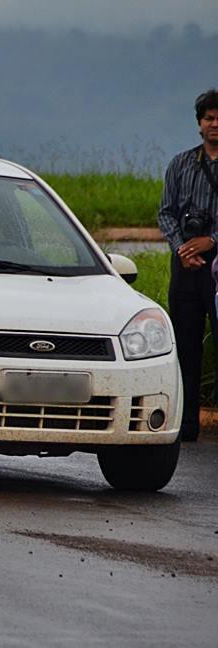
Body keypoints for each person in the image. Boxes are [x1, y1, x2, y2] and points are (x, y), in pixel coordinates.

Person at [159, 88, 218, 442]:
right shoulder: (181, 164)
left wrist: (212, 240)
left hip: (216, 262)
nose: (215, 124)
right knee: (186, 345)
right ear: (199, 123)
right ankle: (187, 423)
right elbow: (165, 212)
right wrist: (183, 247)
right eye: (209, 118)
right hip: (186, 265)